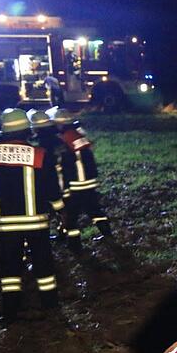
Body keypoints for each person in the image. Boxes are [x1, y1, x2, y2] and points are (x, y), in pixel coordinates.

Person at [0, 108, 65, 321]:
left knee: (9, 267)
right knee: (43, 264)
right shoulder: (40, 154)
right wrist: (59, 208)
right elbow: (52, 188)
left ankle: (11, 311)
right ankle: (51, 305)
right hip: (37, 223)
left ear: (3, 130)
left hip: (5, 225)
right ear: (27, 130)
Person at [47, 107, 111, 250]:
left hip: (77, 184)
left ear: (59, 124)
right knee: (95, 210)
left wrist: (65, 187)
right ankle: (108, 234)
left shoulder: (64, 139)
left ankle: (74, 246)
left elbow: (64, 164)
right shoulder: (79, 134)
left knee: (71, 217)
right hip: (89, 182)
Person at [28, 108, 70, 242]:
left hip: (49, 179)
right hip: (66, 177)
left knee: (50, 207)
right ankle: (64, 230)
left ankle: (56, 231)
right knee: (63, 206)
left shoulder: (39, 143)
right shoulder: (59, 140)